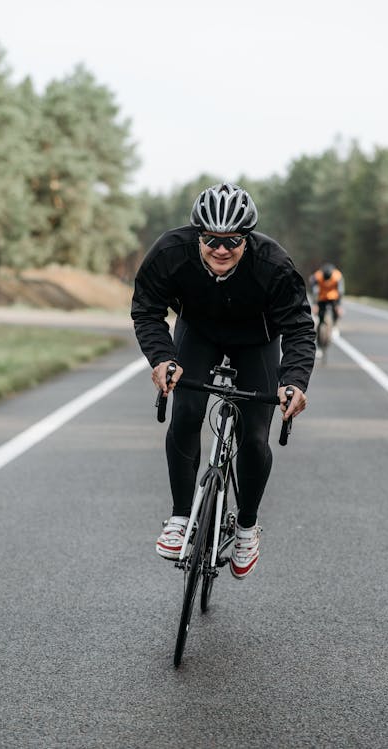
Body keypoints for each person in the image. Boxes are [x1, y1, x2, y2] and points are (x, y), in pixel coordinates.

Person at [131, 182, 316, 579]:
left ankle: (247, 526)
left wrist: (294, 382)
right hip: (198, 333)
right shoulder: (170, 252)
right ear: (198, 235)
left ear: (246, 239)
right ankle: (181, 518)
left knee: (253, 436)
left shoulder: (274, 264)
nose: (220, 249)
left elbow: (300, 328)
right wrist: (162, 359)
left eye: (231, 240)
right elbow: (147, 309)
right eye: (211, 239)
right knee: (187, 411)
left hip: (258, 340)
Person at [309, 262, 344, 348]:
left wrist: (339, 305)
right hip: (321, 297)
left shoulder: (337, 276)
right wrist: (315, 304)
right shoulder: (317, 276)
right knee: (320, 315)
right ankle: (319, 333)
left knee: (336, 312)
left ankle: (335, 326)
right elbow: (314, 291)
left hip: (333, 297)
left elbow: (340, 291)